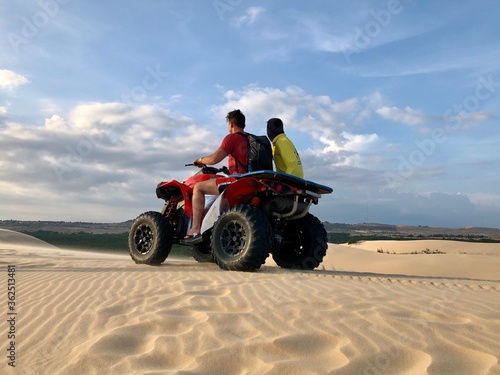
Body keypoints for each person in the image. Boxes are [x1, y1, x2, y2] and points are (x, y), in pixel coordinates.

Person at [181, 109, 248, 244]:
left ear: (230, 124)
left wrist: (200, 160)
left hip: (237, 180)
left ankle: (195, 228)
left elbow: (213, 159)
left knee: (199, 187)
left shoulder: (232, 138)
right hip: (252, 180)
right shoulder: (251, 140)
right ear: (243, 124)